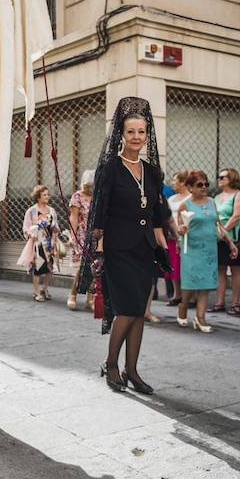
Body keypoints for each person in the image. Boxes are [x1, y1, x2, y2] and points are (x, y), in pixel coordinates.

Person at [78, 97, 170, 395]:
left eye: (142, 132)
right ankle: (111, 364)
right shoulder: (110, 168)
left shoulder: (152, 171)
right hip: (117, 248)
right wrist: (99, 249)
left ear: (147, 135)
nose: (137, 137)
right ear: (121, 133)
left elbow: (156, 215)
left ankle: (132, 369)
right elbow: (99, 214)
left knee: (139, 310)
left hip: (144, 249)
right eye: (131, 131)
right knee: (128, 309)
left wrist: (163, 247)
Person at [176, 170, 238, 332]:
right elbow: (179, 228)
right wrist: (181, 229)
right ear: (190, 187)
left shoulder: (211, 202)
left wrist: (230, 242)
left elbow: (218, 224)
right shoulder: (185, 204)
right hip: (192, 250)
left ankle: (200, 318)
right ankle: (183, 306)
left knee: (205, 285)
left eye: (206, 184)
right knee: (190, 285)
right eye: (199, 185)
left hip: (209, 249)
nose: (204, 187)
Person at [212, 167, 240, 316]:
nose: (219, 180)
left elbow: (236, 215)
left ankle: (235, 303)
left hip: (234, 234)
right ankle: (219, 302)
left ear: (231, 179)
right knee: (220, 268)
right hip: (219, 235)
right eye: (219, 177)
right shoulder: (216, 197)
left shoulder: (239, 195)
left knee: (235, 268)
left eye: (223, 177)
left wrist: (224, 232)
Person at [17, 186, 60, 302]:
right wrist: (32, 234)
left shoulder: (52, 211)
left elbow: (55, 228)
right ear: (38, 197)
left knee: (50, 268)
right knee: (38, 267)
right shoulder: (31, 211)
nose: (47, 197)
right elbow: (26, 228)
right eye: (44, 195)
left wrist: (55, 240)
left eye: (47, 194)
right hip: (38, 243)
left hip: (49, 242)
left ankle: (44, 289)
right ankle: (36, 292)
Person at [67, 170, 93, 310]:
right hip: (82, 234)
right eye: (90, 186)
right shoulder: (77, 196)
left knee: (95, 267)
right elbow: (74, 217)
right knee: (81, 267)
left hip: (96, 235)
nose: (91, 189)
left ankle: (90, 300)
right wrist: (72, 236)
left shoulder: (98, 196)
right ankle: (73, 295)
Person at [164, 170, 190, 306]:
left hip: (185, 235)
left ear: (183, 182)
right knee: (173, 266)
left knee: (185, 266)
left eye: (175, 180)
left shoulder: (190, 198)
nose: (172, 183)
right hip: (171, 235)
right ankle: (177, 294)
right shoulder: (171, 199)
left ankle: (189, 296)